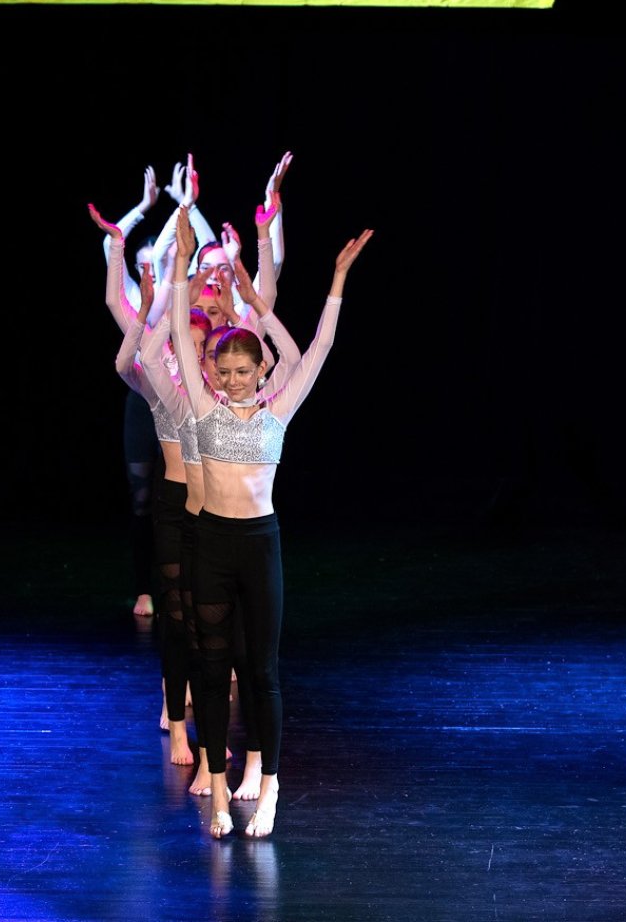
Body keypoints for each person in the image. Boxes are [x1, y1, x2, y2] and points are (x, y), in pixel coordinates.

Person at [171, 183, 372, 839]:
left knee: (262, 671)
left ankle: (272, 788)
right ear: (212, 373)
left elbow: (317, 350)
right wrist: (180, 265)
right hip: (210, 544)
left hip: (259, 545)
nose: (231, 379)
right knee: (210, 670)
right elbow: (178, 335)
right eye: (223, 370)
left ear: (259, 372)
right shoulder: (201, 407)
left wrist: (336, 281)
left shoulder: (278, 411)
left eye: (242, 370)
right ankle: (219, 792)